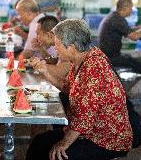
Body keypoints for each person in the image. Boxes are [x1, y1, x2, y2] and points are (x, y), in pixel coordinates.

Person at [27, 19, 132, 160]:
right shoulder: (81, 60)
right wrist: (45, 71)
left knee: (56, 155)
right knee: (39, 142)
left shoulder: (94, 68)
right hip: (87, 131)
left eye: (57, 44)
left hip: (106, 138)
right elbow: (66, 87)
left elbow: (85, 118)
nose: (55, 48)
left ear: (71, 48)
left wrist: (63, 143)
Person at [98, 0, 141, 73]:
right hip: (110, 57)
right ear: (125, 8)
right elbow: (134, 37)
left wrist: (139, 27)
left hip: (106, 55)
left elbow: (127, 29)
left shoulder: (114, 16)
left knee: (131, 59)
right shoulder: (117, 19)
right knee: (136, 63)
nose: (131, 11)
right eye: (130, 8)